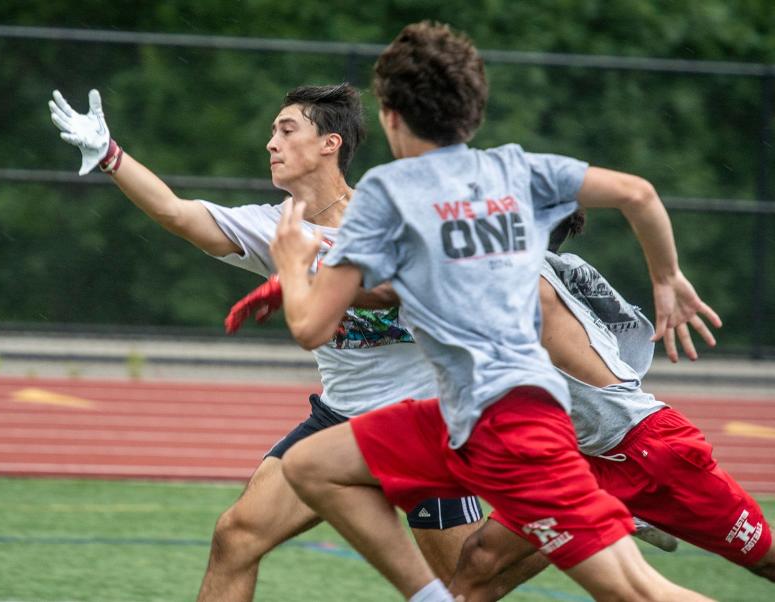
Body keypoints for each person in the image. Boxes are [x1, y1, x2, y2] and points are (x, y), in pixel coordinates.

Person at [270, 21, 719, 601]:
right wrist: (667, 278)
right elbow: (638, 193)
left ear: (390, 116)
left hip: (503, 424)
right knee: (317, 468)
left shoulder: (388, 191)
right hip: (493, 413)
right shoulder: (512, 168)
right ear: (473, 111)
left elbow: (309, 327)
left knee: (632, 592)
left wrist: (290, 261)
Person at [48, 83, 486, 602]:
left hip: (424, 422)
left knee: (467, 587)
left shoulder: (392, 213)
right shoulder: (276, 227)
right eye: (272, 132)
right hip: (339, 419)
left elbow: (427, 288)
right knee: (235, 537)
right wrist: (109, 155)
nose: (270, 143)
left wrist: (310, 280)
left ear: (330, 143)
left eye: (286, 129)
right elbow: (175, 212)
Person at [452, 212, 774, 599]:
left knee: (765, 560)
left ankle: (621, 511)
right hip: (581, 457)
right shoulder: (552, 274)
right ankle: (617, 511)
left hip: (647, 451)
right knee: (479, 560)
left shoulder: (523, 284)